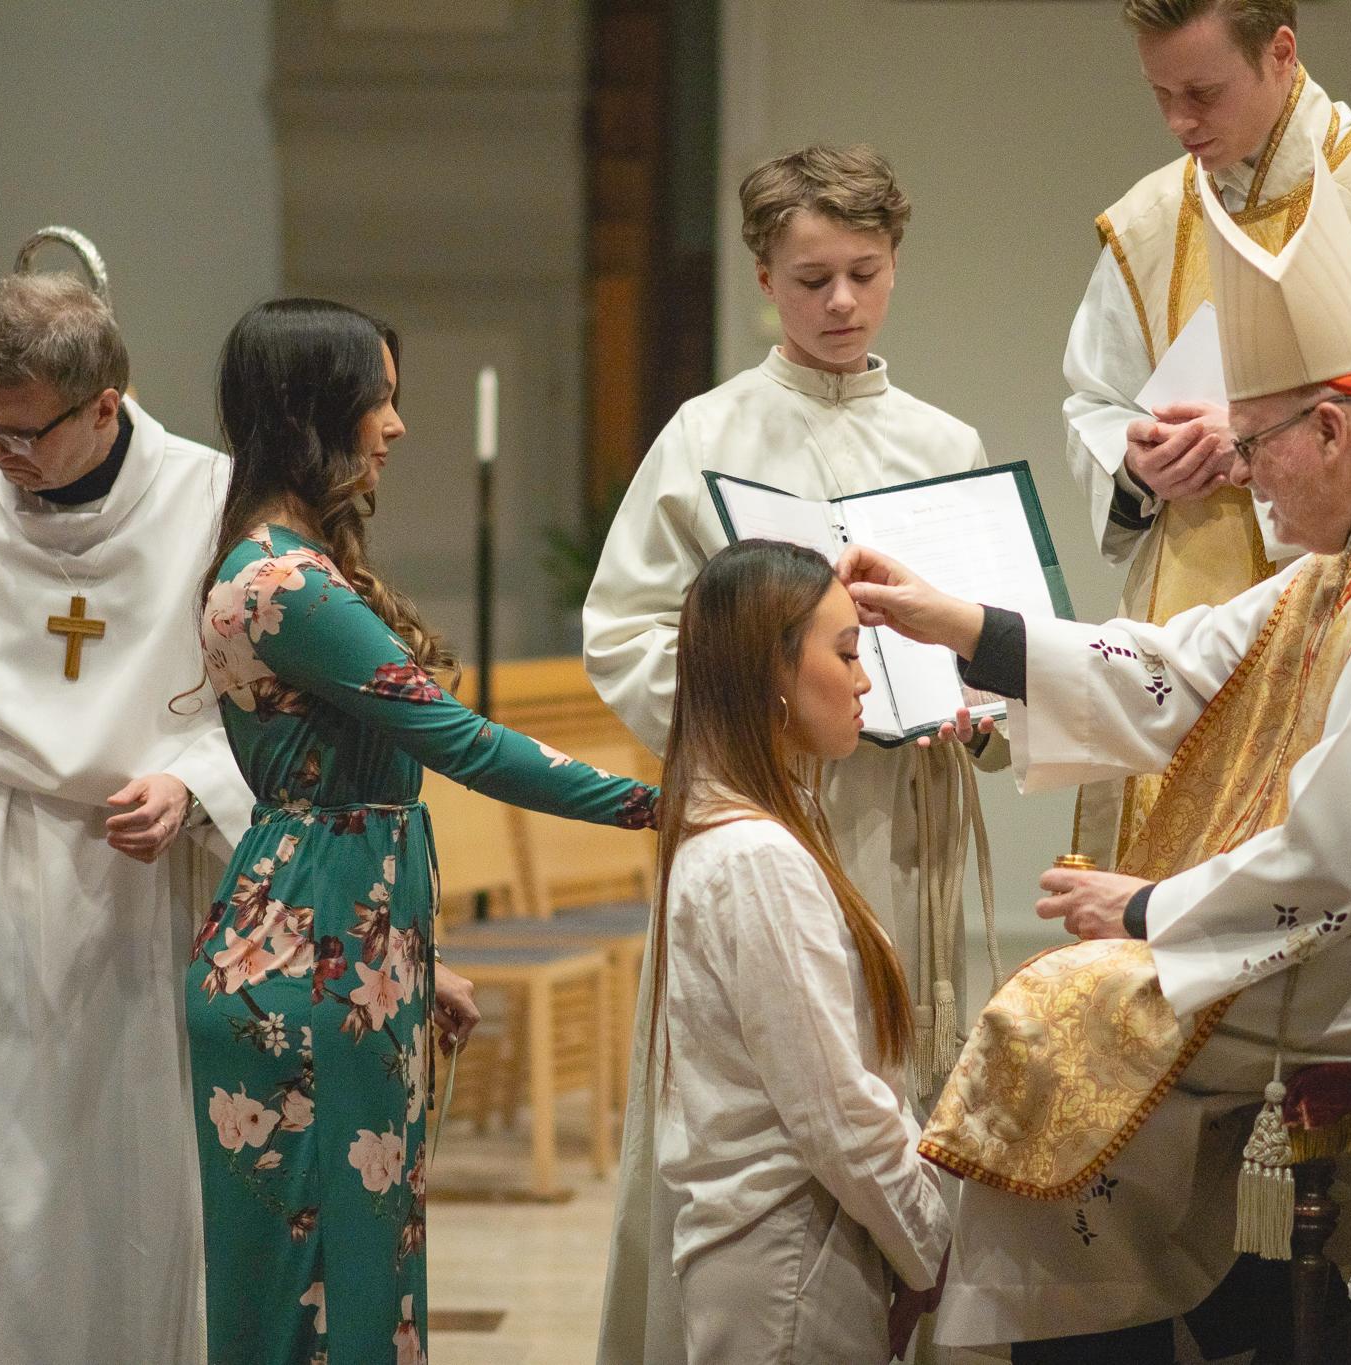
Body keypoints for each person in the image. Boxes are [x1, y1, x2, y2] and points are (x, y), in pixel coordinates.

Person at [843, 161, 1351, 1362]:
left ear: (1332, 427)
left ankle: (1165, 1334)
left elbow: (1339, 854)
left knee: (1061, 1016)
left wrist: (1144, 906)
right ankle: (1233, 1320)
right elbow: (1183, 671)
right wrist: (961, 625)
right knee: (1083, 1019)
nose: (1236, 476)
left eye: (1251, 446)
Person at [187, 298, 659, 1365]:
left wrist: (410, 956)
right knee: (318, 1299)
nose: (395, 427)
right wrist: (657, 802)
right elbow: (464, 744)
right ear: (316, 411)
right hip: (304, 966)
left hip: (339, 949)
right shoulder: (282, 585)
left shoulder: (297, 565)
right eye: (378, 400)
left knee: (360, 1274)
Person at [588, 145, 1000, 1365]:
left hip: (898, 819)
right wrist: (760, 718)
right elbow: (624, 631)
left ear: (893, 270)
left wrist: (971, 704)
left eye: (863, 274)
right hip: (769, 819)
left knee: (888, 1074)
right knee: (780, 1099)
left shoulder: (942, 437)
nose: (839, 303)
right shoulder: (706, 433)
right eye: (810, 277)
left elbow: (989, 622)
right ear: (763, 277)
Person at [0, 271, 255, 1365]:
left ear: (104, 404)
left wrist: (191, 784)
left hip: (144, 886)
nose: (0, 459)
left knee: (126, 1189)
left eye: (24, 434)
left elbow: (268, 715)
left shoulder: (214, 506)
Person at [1065, 0, 1351, 868]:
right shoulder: (1144, 223)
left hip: (1348, 636)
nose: (1179, 121)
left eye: (1202, 91)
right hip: (1184, 611)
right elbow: (1092, 400)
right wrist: (1135, 461)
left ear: (1281, 52)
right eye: (1160, 93)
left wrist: (1261, 440)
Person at [651, 538, 950, 1363]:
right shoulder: (757, 856)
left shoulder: (763, 826)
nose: (863, 679)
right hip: (789, 1253)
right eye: (847, 651)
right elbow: (833, 1109)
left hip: (796, 1241)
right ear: (773, 672)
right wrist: (931, 1244)